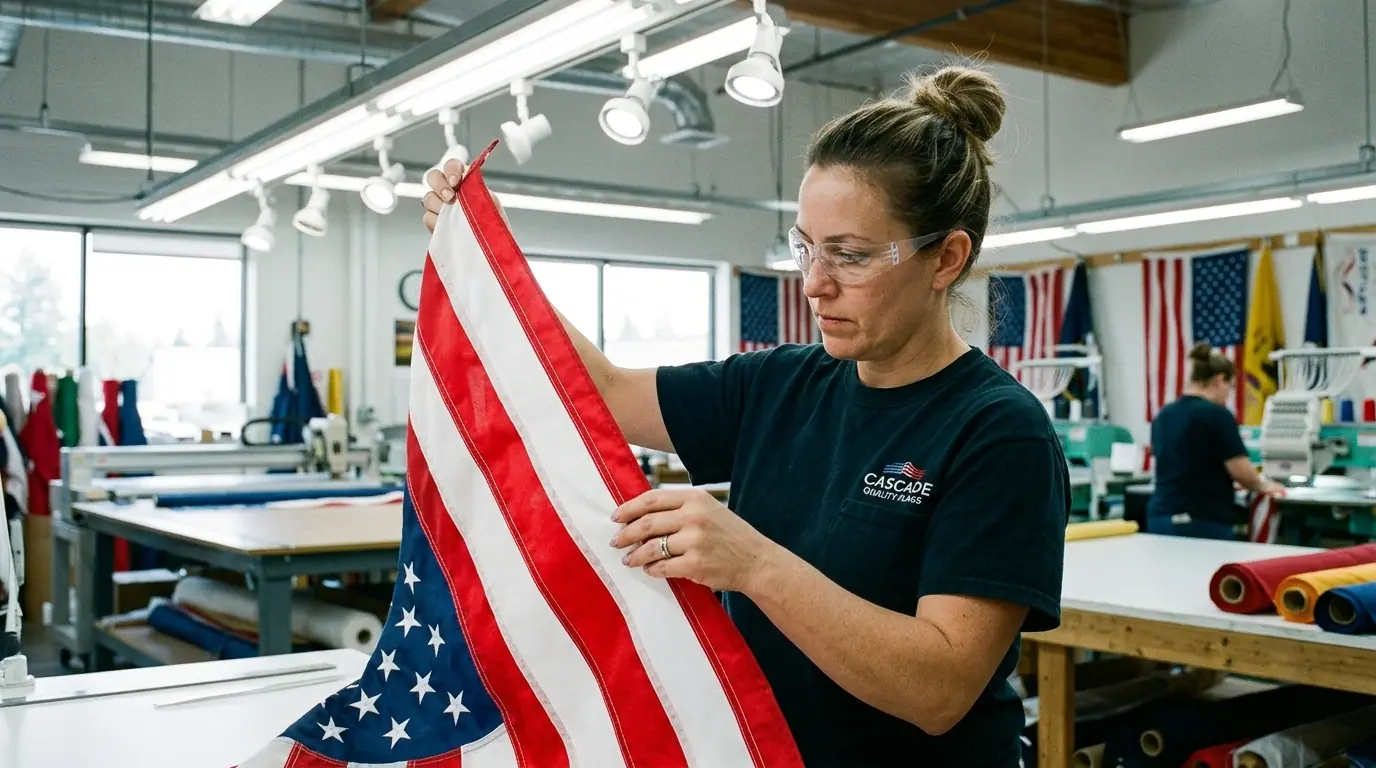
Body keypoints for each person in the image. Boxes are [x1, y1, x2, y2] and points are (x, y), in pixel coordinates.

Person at [422, 65, 1069, 767]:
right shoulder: (780, 384)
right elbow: (601, 389)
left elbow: (939, 690)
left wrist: (753, 563)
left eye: (850, 256)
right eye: (805, 247)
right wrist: (490, 257)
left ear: (946, 258)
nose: (815, 283)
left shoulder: (999, 432)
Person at [1147, 343, 1285, 540]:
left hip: (1160, 517)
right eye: (1230, 387)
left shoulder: (1164, 415)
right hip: (1202, 521)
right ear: (1220, 380)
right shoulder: (1217, 415)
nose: (1228, 394)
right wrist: (1264, 485)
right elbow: (1240, 471)